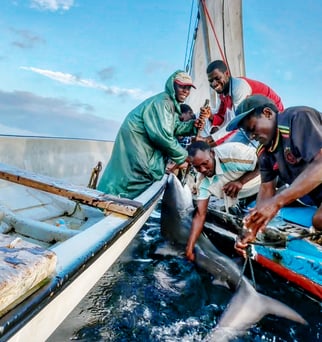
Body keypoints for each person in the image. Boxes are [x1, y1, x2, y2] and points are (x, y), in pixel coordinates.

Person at [225, 95, 322, 256]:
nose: (251, 137)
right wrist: (251, 229)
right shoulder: (264, 152)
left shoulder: (297, 119)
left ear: (268, 113)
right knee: (318, 221)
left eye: (252, 128)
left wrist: (277, 202)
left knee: (318, 220)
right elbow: (266, 188)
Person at [97, 70, 203, 199]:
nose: (186, 91)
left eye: (188, 88)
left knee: (132, 177)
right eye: (182, 86)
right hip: (137, 142)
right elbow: (163, 137)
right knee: (132, 175)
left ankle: (120, 199)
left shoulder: (171, 105)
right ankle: (112, 202)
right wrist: (186, 156)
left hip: (141, 144)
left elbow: (174, 127)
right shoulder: (163, 102)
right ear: (172, 86)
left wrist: (193, 125)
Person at [185, 141, 260, 262]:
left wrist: (241, 181)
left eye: (205, 163)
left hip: (264, 182)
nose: (203, 169)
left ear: (212, 153)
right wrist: (190, 246)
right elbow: (200, 214)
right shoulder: (203, 182)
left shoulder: (234, 152)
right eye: (197, 167)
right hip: (243, 196)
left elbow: (268, 162)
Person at [197, 60, 284, 147]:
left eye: (217, 78)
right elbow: (222, 117)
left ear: (227, 74)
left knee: (228, 148)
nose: (214, 84)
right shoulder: (223, 93)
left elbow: (236, 121)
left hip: (272, 117)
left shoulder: (239, 87)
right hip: (252, 122)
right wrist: (210, 116)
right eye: (211, 81)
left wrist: (210, 139)